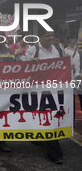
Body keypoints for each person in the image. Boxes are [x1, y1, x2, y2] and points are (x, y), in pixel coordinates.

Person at [21, 29, 65, 164]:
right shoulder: (34, 49)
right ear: (41, 37)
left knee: (49, 117)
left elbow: (64, 64)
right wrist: (31, 62)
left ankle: (51, 150)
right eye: (47, 36)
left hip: (55, 90)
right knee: (43, 115)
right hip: (38, 90)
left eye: (52, 35)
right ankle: (49, 148)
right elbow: (21, 64)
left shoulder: (59, 48)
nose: (51, 38)